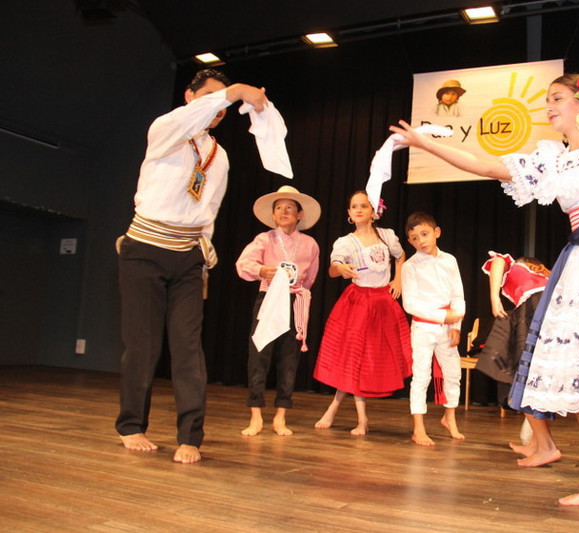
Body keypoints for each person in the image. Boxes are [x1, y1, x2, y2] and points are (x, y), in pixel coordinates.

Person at [390, 73, 579, 505]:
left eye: (557, 98)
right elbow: (486, 165)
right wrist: (426, 145)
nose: (549, 106)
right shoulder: (552, 159)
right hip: (578, 260)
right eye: (546, 100)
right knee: (576, 371)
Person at [116, 69, 269, 464]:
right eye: (210, 97)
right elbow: (196, 115)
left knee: (188, 347)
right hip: (145, 249)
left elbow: (209, 210)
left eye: (223, 102)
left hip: (188, 256)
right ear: (189, 96)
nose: (218, 107)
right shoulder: (166, 129)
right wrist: (236, 91)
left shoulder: (220, 156)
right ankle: (132, 426)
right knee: (143, 345)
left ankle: (190, 436)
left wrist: (203, 258)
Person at [313, 191, 412, 435]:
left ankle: (338, 409)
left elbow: (400, 256)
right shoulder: (346, 242)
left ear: (373, 211)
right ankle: (359, 417)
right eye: (354, 206)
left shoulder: (387, 236)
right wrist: (341, 269)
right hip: (358, 303)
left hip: (382, 303)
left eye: (364, 206)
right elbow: (333, 268)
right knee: (353, 357)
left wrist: (398, 279)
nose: (358, 210)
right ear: (349, 213)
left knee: (366, 361)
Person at [236, 186, 321, 437]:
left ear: (299, 214)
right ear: (273, 215)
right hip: (269, 298)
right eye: (279, 208)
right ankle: (255, 415)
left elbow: (310, 277)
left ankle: (281, 416)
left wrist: (298, 294)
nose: (284, 212)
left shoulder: (310, 244)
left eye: (290, 208)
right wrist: (261, 270)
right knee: (259, 355)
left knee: (289, 359)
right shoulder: (265, 239)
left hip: (294, 301)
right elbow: (243, 264)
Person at [476, 253, 559, 466]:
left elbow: (498, 261)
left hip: (534, 310)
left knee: (524, 378)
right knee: (535, 380)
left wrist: (494, 297)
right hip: (550, 315)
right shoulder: (548, 281)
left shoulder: (518, 269)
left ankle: (546, 447)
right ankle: (536, 444)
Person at [402, 212, 466, 446]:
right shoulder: (410, 266)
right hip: (424, 327)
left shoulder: (449, 260)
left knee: (453, 373)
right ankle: (418, 428)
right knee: (421, 375)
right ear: (410, 241)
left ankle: (449, 417)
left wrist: (455, 324)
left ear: (436, 232)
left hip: (447, 326)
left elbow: (457, 294)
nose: (421, 241)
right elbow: (410, 304)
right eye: (415, 238)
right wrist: (442, 316)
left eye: (425, 234)